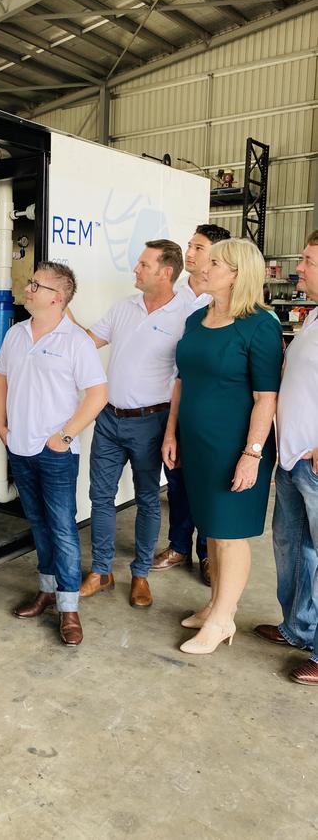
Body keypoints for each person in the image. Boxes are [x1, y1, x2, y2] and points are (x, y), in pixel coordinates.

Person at [163, 238, 283, 654]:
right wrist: (170, 432)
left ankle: (222, 619)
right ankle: (215, 604)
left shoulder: (260, 324)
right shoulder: (197, 320)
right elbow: (183, 381)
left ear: (237, 274)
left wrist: (252, 454)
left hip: (234, 446)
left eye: (215, 262)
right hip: (196, 442)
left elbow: (266, 397)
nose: (203, 265)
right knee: (211, 527)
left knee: (230, 533)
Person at [0, 262, 108, 646]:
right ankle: (46, 590)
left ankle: (69, 608)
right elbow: (1, 382)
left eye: (36, 285)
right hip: (20, 447)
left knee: (62, 527)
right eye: (30, 282)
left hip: (56, 452)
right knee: (38, 524)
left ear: (57, 297)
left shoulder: (75, 341)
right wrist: (2, 426)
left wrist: (65, 435)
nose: (27, 288)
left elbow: (97, 395)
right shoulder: (16, 334)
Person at [73, 240, 186, 608]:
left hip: (151, 422)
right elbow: (86, 342)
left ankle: (140, 575)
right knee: (100, 497)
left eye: (143, 264)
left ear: (165, 272)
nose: (135, 270)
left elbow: (184, 379)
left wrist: (171, 431)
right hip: (109, 417)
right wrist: (62, 308)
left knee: (149, 500)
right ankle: (101, 571)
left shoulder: (188, 314)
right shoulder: (124, 307)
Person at [254, 231, 318, 685]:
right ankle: (297, 627)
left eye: (309, 261)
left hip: (315, 463)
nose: (299, 268)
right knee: (292, 548)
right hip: (293, 458)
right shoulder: (313, 318)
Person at [152, 224, 231, 586]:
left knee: (208, 484)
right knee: (178, 479)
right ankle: (179, 544)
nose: (191, 253)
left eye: (198, 248)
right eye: (189, 246)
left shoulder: (223, 304)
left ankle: (207, 554)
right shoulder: (173, 297)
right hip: (171, 403)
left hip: (205, 407)